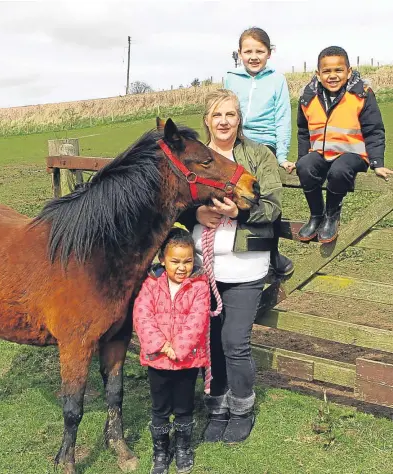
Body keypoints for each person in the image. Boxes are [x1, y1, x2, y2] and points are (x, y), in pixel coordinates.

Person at [178, 89, 282, 444]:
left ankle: (242, 408)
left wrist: (240, 213)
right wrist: (196, 213)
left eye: (231, 115)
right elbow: (174, 200)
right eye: (217, 115)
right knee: (209, 341)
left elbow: (273, 206)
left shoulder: (257, 156)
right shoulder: (194, 157)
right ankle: (217, 407)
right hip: (202, 269)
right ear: (207, 120)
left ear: (240, 119)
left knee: (234, 342)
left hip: (244, 267)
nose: (224, 122)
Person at [296, 46, 393, 243]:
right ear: (318, 74)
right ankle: (317, 214)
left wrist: (377, 162)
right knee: (304, 167)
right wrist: (301, 158)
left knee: (339, 170)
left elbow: (374, 129)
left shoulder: (362, 94)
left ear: (349, 72)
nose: (332, 76)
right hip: (321, 153)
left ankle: (332, 215)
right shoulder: (308, 97)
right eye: (326, 71)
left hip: (353, 155)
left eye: (338, 70)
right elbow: (303, 131)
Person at [133, 228, 210, 474]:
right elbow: (142, 315)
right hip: (158, 362)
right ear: (162, 260)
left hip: (187, 361)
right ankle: (161, 450)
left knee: (184, 407)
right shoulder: (151, 285)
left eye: (187, 261)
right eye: (175, 261)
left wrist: (179, 347)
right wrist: (161, 345)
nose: (181, 267)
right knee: (160, 408)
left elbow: (197, 320)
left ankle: (183, 448)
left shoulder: (199, 287)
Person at [224, 26, 294, 277]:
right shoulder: (231, 77)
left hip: (265, 144)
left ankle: (270, 252)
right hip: (236, 140)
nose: (253, 56)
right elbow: (223, 109)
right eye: (248, 51)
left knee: (264, 192)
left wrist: (282, 155)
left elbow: (282, 118)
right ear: (240, 53)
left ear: (269, 53)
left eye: (259, 51)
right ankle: (222, 248)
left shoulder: (277, 80)